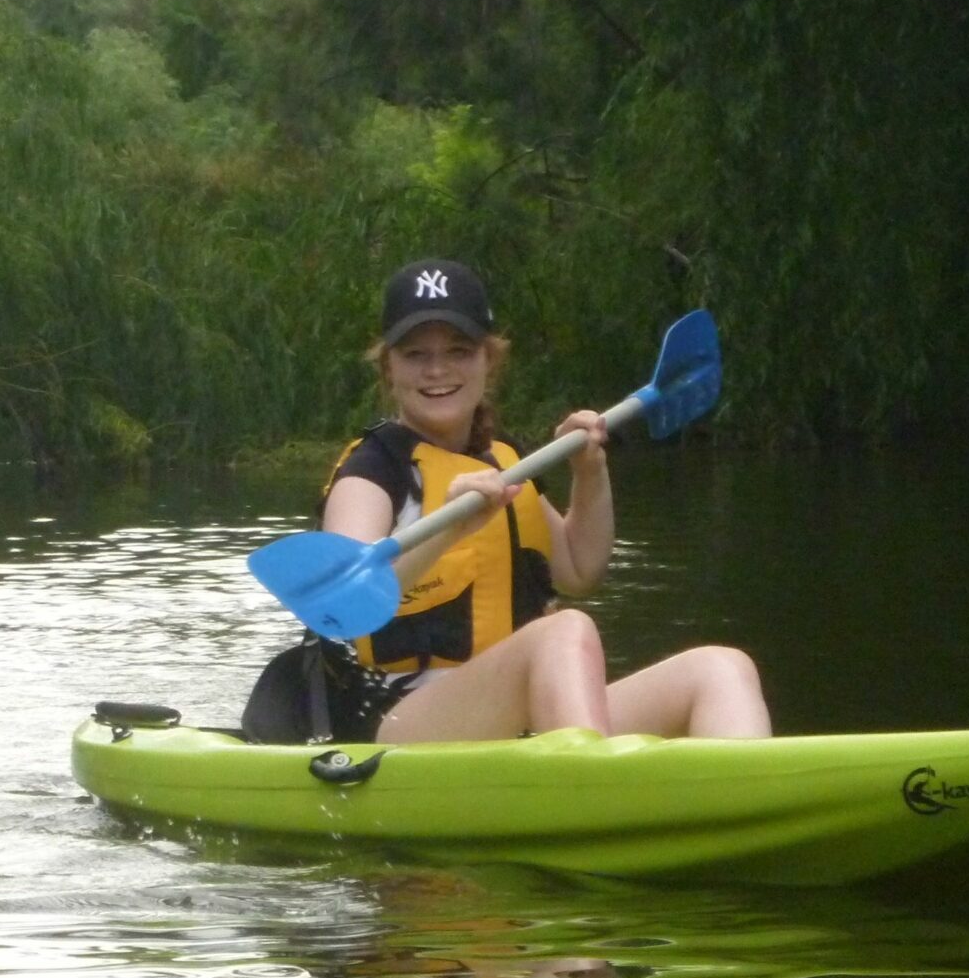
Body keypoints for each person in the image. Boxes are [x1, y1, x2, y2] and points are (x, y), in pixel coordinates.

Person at [288, 259, 770, 746]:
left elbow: (580, 570)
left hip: (523, 725)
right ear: (388, 368)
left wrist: (589, 472)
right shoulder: (372, 471)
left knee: (722, 669)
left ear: (488, 362)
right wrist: (451, 530)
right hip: (402, 723)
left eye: (459, 350)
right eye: (415, 354)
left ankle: (751, 803)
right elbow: (341, 604)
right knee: (563, 632)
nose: (437, 370)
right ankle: (594, 795)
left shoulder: (504, 461)